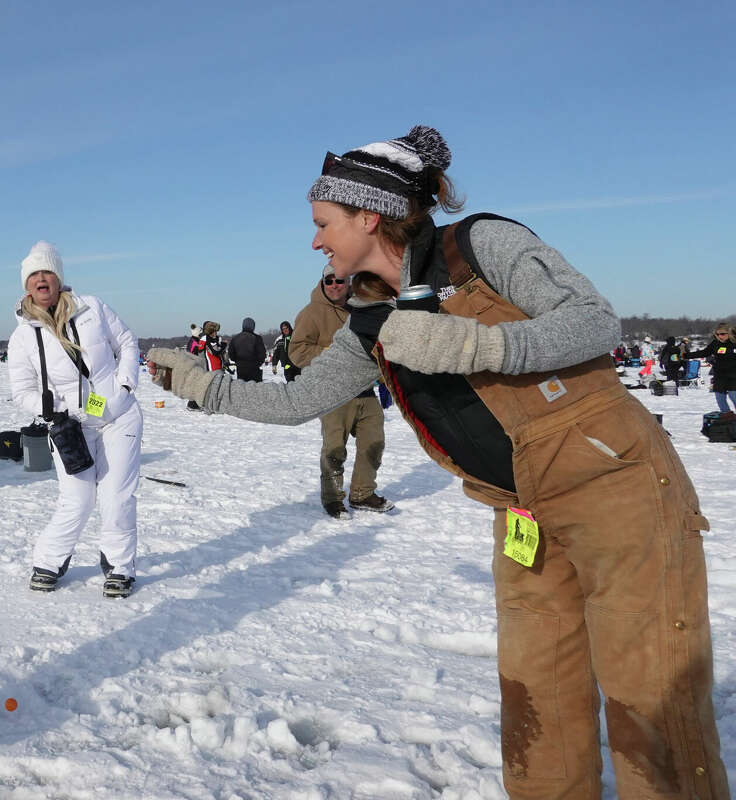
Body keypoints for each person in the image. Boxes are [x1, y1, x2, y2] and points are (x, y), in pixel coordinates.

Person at [147, 125, 726, 799]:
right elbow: (299, 401)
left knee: (649, 698)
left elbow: (595, 322)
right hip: (521, 513)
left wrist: (473, 344)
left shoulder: (480, 247)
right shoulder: (369, 315)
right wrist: (201, 385)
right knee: (539, 704)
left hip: (616, 490)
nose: (315, 240)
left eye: (322, 223)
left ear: (369, 215)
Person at [7, 240, 142, 598]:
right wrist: (51, 409)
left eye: (47, 272)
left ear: (59, 278)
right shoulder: (22, 338)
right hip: (71, 426)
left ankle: (119, 566)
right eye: (34, 274)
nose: (41, 279)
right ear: (26, 284)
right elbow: (22, 391)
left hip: (117, 415)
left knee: (116, 496)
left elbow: (127, 342)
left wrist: (125, 385)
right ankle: (49, 560)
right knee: (77, 499)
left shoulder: (92, 309)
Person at [290, 265, 390, 517]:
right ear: (323, 284)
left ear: (349, 283)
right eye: (329, 281)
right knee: (334, 449)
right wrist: (333, 355)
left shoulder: (362, 309)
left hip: (366, 392)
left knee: (374, 443)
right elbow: (297, 351)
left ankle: (362, 494)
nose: (335, 285)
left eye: (340, 281)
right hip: (334, 395)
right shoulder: (312, 313)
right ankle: (333, 498)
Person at [687, 322, 736, 413]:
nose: (719, 336)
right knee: (720, 397)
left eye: (722, 334)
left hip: (733, 376)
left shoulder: (734, 343)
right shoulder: (715, 343)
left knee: (733, 396)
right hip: (720, 375)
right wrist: (686, 355)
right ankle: (728, 418)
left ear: (729, 333)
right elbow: (704, 352)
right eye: (717, 334)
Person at [227, 317, 267, 382]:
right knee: (255, 389)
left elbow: (231, 354)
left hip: (240, 369)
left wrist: (238, 361)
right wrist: (258, 364)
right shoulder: (257, 338)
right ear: (253, 326)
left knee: (242, 389)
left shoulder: (235, 338)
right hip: (254, 369)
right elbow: (262, 354)